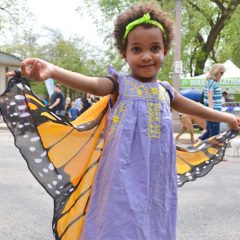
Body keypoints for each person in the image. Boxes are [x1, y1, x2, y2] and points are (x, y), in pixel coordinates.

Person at [5, 2, 240, 240]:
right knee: (119, 221)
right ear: (124, 54)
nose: (146, 56)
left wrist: (227, 117)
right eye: (137, 49)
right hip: (121, 174)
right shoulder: (120, 85)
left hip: (157, 175)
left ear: (165, 51)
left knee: (155, 218)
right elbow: (91, 83)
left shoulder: (166, 91)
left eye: (155, 48)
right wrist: (53, 70)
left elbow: (193, 106)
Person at [200, 63, 225, 141]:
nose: (222, 75)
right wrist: (211, 111)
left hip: (214, 111)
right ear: (216, 72)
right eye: (221, 73)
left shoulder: (212, 82)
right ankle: (211, 151)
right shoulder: (212, 82)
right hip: (214, 112)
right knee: (215, 134)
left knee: (209, 132)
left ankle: (197, 145)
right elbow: (210, 95)